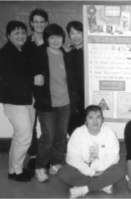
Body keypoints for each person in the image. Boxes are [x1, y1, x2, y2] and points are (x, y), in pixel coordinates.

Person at [0, 21, 42, 182]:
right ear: (8, 35)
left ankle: (15, 169)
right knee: (24, 136)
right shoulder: (6, 53)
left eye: (23, 32)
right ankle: (15, 171)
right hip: (15, 101)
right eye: (16, 33)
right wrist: (33, 80)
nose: (21, 36)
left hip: (27, 99)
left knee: (20, 136)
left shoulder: (22, 50)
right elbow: (10, 79)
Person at [33, 24, 76, 183]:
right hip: (47, 104)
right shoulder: (39, 53)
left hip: (65, 103)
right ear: (46, 39)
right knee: (48, 137)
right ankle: (40, 167)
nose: (56, 40)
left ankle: (56, 163)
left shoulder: (66, 54)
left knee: (60, 136)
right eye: (52, 37)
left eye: (59, 37)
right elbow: (31, 75)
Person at [58, 105, 126, 199]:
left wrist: (96, 169)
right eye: (90, 117)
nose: (95, 121)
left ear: (102, 119)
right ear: (85, 120)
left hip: (104, 170)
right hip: (83, 171)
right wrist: (92, 172)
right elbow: (73, 158)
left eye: (98, 117)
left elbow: (113, 158)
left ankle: (84, 189)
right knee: (63, 172)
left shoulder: (109, 133)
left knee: (121, 169)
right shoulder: (78, 133)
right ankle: (103, 184)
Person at [23, 8, 49, 172]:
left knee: (47, 126)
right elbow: (19, 69)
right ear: (31, 23)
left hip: (48, 93)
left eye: (42, 21)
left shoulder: (52, 41)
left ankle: (45, 156)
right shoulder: (25, 43)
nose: (39, 25)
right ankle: (33, 157)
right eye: (36, 22)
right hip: (29, 91)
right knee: (30, 125)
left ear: (46, 23)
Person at [65, 21, 85, 135]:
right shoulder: (66, 54)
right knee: (73, 131)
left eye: (79, 32)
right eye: (72, 33)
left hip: (86, 97)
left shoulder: (90, 51)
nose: (76, 36)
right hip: (71, 99)